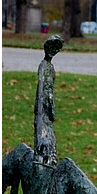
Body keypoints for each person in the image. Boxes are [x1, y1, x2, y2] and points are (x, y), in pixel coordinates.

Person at [34, 34, 64, 167]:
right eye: (52, 47)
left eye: (56, 48)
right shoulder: (43, 66)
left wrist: (52, 108)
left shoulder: (50, 67)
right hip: (43, 113)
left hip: (49, 113)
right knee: (45, 145)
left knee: (51, 147)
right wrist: (41, 133)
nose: (53, 51)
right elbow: (41, 94)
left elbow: (50, 90)